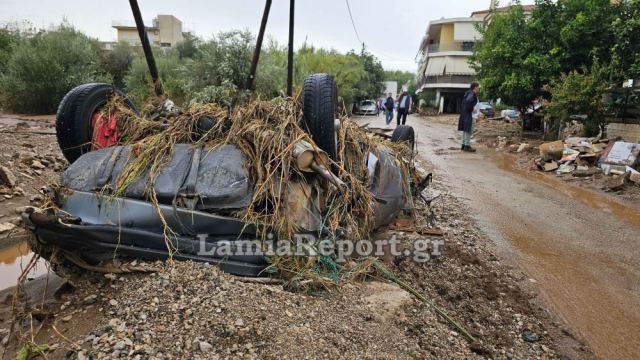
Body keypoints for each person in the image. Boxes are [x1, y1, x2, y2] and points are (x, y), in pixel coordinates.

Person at [458, 82, 480, 152]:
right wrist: (471, 109)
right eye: (478, 87)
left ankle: (464, 145)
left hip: (466, 115)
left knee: (465, 130)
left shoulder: (468, 93)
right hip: (470, 116)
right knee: (468, 130)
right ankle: (467, 146)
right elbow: (468, 102)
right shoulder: (472, 94)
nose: (479, 88)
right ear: (475, 87)